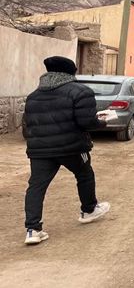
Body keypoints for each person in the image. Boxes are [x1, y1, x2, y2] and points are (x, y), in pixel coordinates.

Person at [22, 56, 111, 246]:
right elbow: (86, 122)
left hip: (40, 150)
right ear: (71, 73)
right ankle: (88, 210)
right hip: (72, 147)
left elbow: (27, 126)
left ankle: (32, 230)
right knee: (84, 175)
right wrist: (103, 121)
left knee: (36, 186)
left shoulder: (33, 96)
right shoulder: (80, 91)